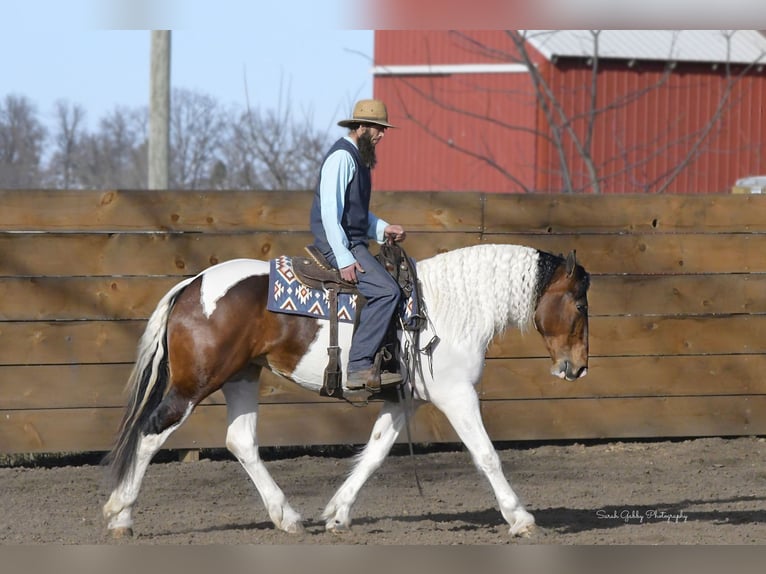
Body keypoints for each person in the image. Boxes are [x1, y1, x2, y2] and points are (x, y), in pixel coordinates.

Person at [309, 99, 406, 391]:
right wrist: (343, 258)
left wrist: (382, 228)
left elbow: (356, 214)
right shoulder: (342, 158)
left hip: (352, 241)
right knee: (387, 291)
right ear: (361, 127)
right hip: (342, 245)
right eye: (378, 129)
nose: (382, 135)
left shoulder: (357, 158)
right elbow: (330, 212)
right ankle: (360, 365)